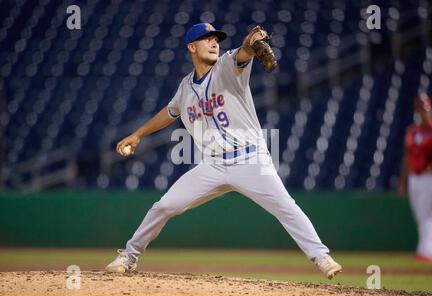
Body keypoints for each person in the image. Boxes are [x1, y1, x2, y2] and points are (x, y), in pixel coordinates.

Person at [105, 23, 342, 279]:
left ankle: (322, 257)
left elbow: (243, 52)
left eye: (216, 38)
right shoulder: (186, 87)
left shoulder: (228, 66)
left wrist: (252, 42)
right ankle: (129, 256)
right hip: (213, 165)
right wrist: (138, 134)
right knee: (164, 206)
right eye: (206, 39)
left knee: (286, 207)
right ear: (192, 47)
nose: (214, 42)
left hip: (251, 159)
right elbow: (170, 112)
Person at [398, 93, 432, 261]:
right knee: (420, 214)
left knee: (428, 213)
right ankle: (428, 249)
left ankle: (426, 252)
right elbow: (407, 157)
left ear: (431, 109)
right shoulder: (412, 131)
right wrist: (403, 181)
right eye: (420, 109)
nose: (423, 113)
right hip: (415, 177)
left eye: (425, 109)